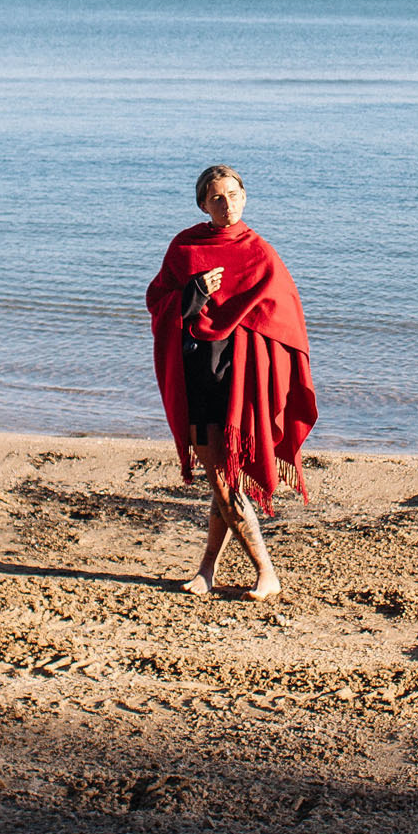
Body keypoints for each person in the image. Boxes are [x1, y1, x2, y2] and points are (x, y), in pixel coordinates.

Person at [144, 165, 318, 599]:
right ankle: (251, 571)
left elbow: (284, 316)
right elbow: (158, 303)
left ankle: (232, 572)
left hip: (240, 378)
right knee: (221, 480)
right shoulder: (185, 247)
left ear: (245, 196)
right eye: (217, 198)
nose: (227, 205)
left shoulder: (259, 252)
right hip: (198, 375)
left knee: (226, 480)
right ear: (203, 203)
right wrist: (194, 292)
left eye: (234, 195)